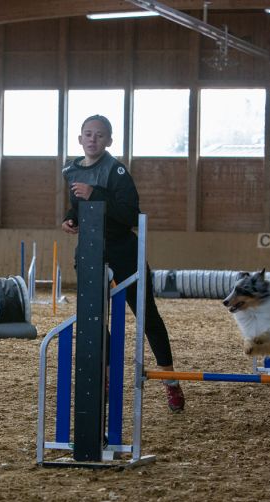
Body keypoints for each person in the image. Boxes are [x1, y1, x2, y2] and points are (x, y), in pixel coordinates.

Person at [61, 114, 185, 413]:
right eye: (88, 134)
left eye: (99, 135)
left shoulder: (116, 171)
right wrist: (70, 218)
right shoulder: (71, 170)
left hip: (123, 249)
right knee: (94, 317)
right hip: (91, 250)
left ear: (109, 141)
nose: (93, 139)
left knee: (147, 315)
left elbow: (130, 213)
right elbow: (78, 205)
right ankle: (105, 379)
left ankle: (171, 382)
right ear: (79, 139)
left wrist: (96, 194)